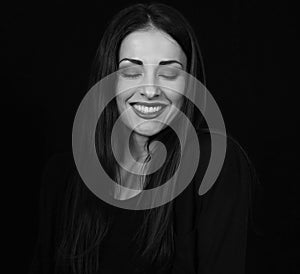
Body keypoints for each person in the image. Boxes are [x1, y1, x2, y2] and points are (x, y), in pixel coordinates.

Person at [29, 3, 260, 274]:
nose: (150, 90)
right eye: (131, 72)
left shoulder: (211, 165)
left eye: (170, 73)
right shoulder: (63, 178)